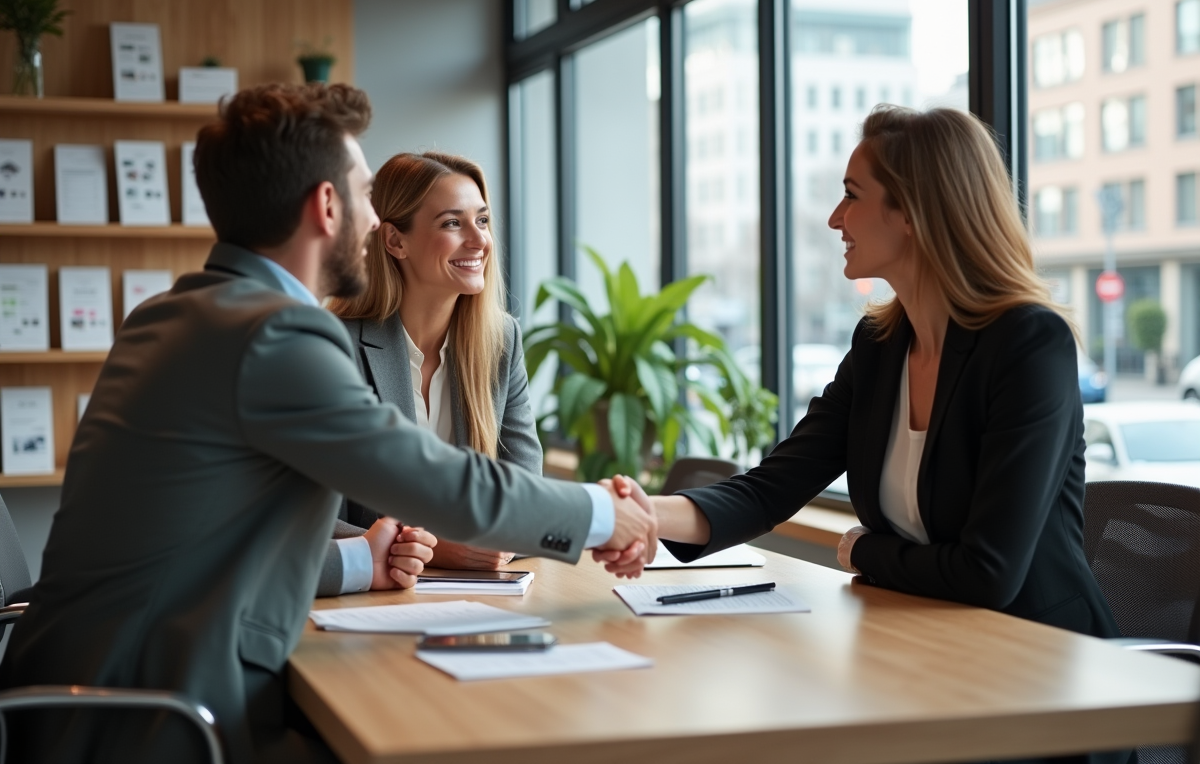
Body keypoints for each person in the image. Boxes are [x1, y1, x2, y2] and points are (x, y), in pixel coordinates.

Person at [0, 83, 655, 764]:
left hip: (92, 686)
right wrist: (607, 515)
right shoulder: (274, 334)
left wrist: (359, 558)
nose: (377, 221)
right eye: (367, 193)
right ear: (326, 205)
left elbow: (211, 533)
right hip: (149, 713)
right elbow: (434, 480)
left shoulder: (178, 312)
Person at [601, 105, 1126, 764]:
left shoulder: (1028, 344)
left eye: (852, 196)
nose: (834, 219)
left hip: (1043, 684)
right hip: (931, 662)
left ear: (912, 211)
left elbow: (988, 574)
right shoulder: (880, 346)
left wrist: (863, 549)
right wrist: (639, 517)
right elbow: (772, 487)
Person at [315, 152, 539, 597]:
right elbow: (308, 514)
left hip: (479, 598)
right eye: (452, 224)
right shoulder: (333, 345)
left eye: (483, 220)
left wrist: (500, 540)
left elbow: (525, 492)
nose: (479, 240)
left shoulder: (502, 341)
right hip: (366, 600)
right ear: (396, 241)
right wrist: (436, 548)